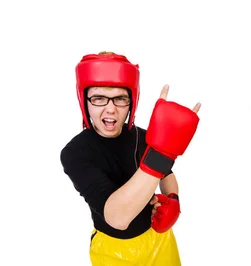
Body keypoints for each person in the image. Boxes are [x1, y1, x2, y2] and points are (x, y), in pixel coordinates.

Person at [60, 51, 201, 265]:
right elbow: (117, 218)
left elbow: (167, 175)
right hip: (113, 250)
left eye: (120, 98)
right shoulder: (75, 152)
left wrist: (172, 198)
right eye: (99, 98)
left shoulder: (143, 136)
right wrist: (161, 154)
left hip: (158, 239)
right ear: (85, 101)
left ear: (131, 102)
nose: (111, 108)